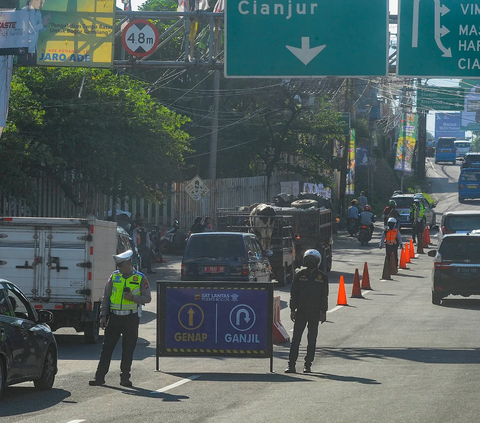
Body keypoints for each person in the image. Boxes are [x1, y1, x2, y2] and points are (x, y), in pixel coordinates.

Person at [89, 250, 151, 387]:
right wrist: (103, 315)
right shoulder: (114, 276)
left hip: (131, 318)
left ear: (128, 263)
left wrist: (133, 298)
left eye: (121, 265)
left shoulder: (140, 278)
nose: (118, 268)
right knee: (107, 349)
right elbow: (106, 297)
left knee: (128, 349)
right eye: (118, 265)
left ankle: (125, 378)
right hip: (114, 317)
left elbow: (148, 297)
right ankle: (99, 377)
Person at [285, 249, 329, 374]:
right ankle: (291, 365)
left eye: (313, 260)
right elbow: (294, 293)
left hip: (315, 313)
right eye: (308, 260)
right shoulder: (300, 275)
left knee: (312, 339)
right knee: (296, 340)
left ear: (318, 262)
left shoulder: (322, 277)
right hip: (301, 312)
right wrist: (292, 309)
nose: (310, 262)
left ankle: (307, 364)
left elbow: (324, 296)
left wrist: (324, 312)